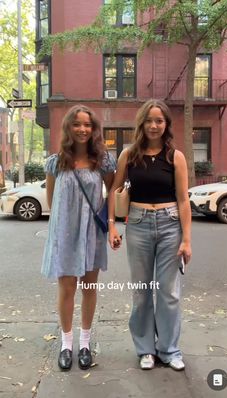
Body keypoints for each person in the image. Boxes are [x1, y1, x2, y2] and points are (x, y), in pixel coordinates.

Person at [108, 99, 192, 371]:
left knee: (169, 292)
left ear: (166, 124)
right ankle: (146, 349)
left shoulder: (175, 156)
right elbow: (114, 190)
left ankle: (169, 350)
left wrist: (186, 239)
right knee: (142, 291)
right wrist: (111, 224)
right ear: (141, 123)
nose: (154, 125)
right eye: (149, 120)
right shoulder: (128, 155)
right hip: (138, 224)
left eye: (159, 120)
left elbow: (183, 200)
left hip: (170, 225)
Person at [42, 104, 115, 371]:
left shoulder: (104, 161)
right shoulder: (55, 162)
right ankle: (66, 344)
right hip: (64, 233)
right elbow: (52, 200)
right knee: (66, 289)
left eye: (87, 125)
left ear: (94, 129)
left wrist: (110, 225)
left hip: (92, 232)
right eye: (77, 124)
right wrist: (61, 229)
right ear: (68, 128)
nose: (82, 129)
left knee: (89, 288)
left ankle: (85, 343)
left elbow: (113, 193)